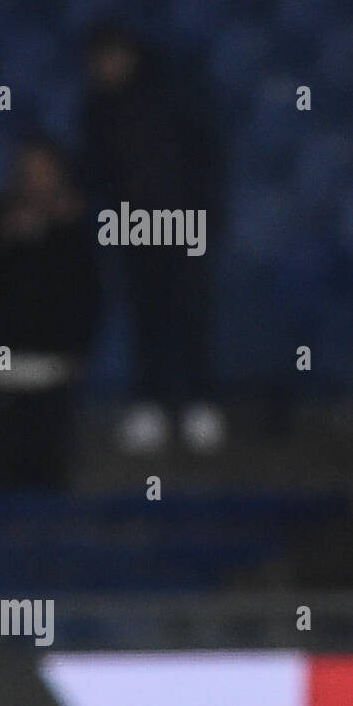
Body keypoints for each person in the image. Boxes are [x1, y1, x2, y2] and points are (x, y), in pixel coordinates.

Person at [82, 27, 225, 454]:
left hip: (184, 224)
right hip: (134, 227)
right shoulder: (97, 110)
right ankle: (150, 405)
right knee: (147, 316)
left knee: (190, 315)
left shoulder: (175, 102)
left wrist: (202, 216)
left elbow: (206, 160)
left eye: (110, 56)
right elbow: (97, 172)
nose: (103, 67)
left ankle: (199, 405)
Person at [0, 138, 101, 491]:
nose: (35, 182)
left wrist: (54, 235)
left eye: (44, 173)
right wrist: (2, 240)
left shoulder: (75, 233)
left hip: (51, 371)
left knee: (48, 480)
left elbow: (90, 298)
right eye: (28, 173)